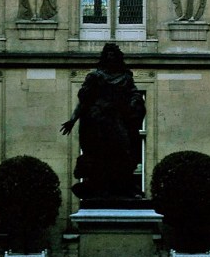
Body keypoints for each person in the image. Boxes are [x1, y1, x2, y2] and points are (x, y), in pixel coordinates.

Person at [61, 43, 146, 200]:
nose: (111, 58)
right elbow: (84, 101)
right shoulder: (95, 76)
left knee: (124, 150)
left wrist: (136, 101)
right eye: (108, 55)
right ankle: (102, 188)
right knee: (100, 154)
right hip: (98, 120)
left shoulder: (126, 77)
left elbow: (133, 93)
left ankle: (123, 186)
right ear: (104, 58)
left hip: (117, 118)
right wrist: (73, 119)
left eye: (113, 55)